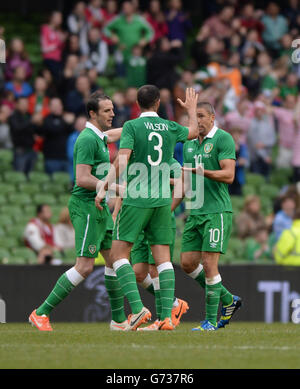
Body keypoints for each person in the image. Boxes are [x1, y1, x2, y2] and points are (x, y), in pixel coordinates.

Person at [95, 85, 199, 331]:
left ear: (137, 104)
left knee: (119, 255)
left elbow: (122, 160)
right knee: (163, 260)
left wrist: (104, 186)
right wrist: (192, 109)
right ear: (158, 103)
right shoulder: (170, 126)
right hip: (163, 200)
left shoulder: (131, 126)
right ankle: (165, 319)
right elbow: (194, 132)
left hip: (136, 198)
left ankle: (138, 309)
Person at [29, 91, 124, 331]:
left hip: (99, 205)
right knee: (84, 266)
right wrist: (115, 186)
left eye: (112, 109)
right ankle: (41, 313)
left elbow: (117, 134)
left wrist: (138, 128)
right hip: (86, 206)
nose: (112, 114)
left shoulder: (99, 137)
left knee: (115, 261)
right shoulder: (87, 139)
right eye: (107, 110)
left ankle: (119, 321)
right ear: (93, 113)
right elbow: (82, 179)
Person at [171, 101, 241, 331]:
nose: (198, 121)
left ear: (212, 117)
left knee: (210, 265)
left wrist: (203, 172)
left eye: (201, 116)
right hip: (195, 212)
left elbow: (229, 175)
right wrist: (167, 210)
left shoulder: (223, 139)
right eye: (195, 116)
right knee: (188, 263)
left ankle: (210, 321)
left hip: (217, 212)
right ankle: (229, 300)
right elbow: (185, 183)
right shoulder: (190, 145)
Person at [111, 158, 189, 331]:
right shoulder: (138, 162)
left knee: (155, 269)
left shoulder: (170, 162)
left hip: (157, 217)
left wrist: (159, 179)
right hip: (137, 220)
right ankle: (175, 303)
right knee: (138, 273)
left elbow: (182, 182)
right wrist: (116, 213)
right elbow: (125, 187)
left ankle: (163, 318)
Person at [9, 97, 41, 175]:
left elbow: (37, 131)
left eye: (26, 104)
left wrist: (39, 123)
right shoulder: (13, 116)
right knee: (19, 175)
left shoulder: (29, 115)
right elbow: (17, 128)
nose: (25, 105)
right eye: (22, 104)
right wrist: (31, 121)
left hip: (31, 150)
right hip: (20, 151)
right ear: (17, 105)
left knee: (30, 176)